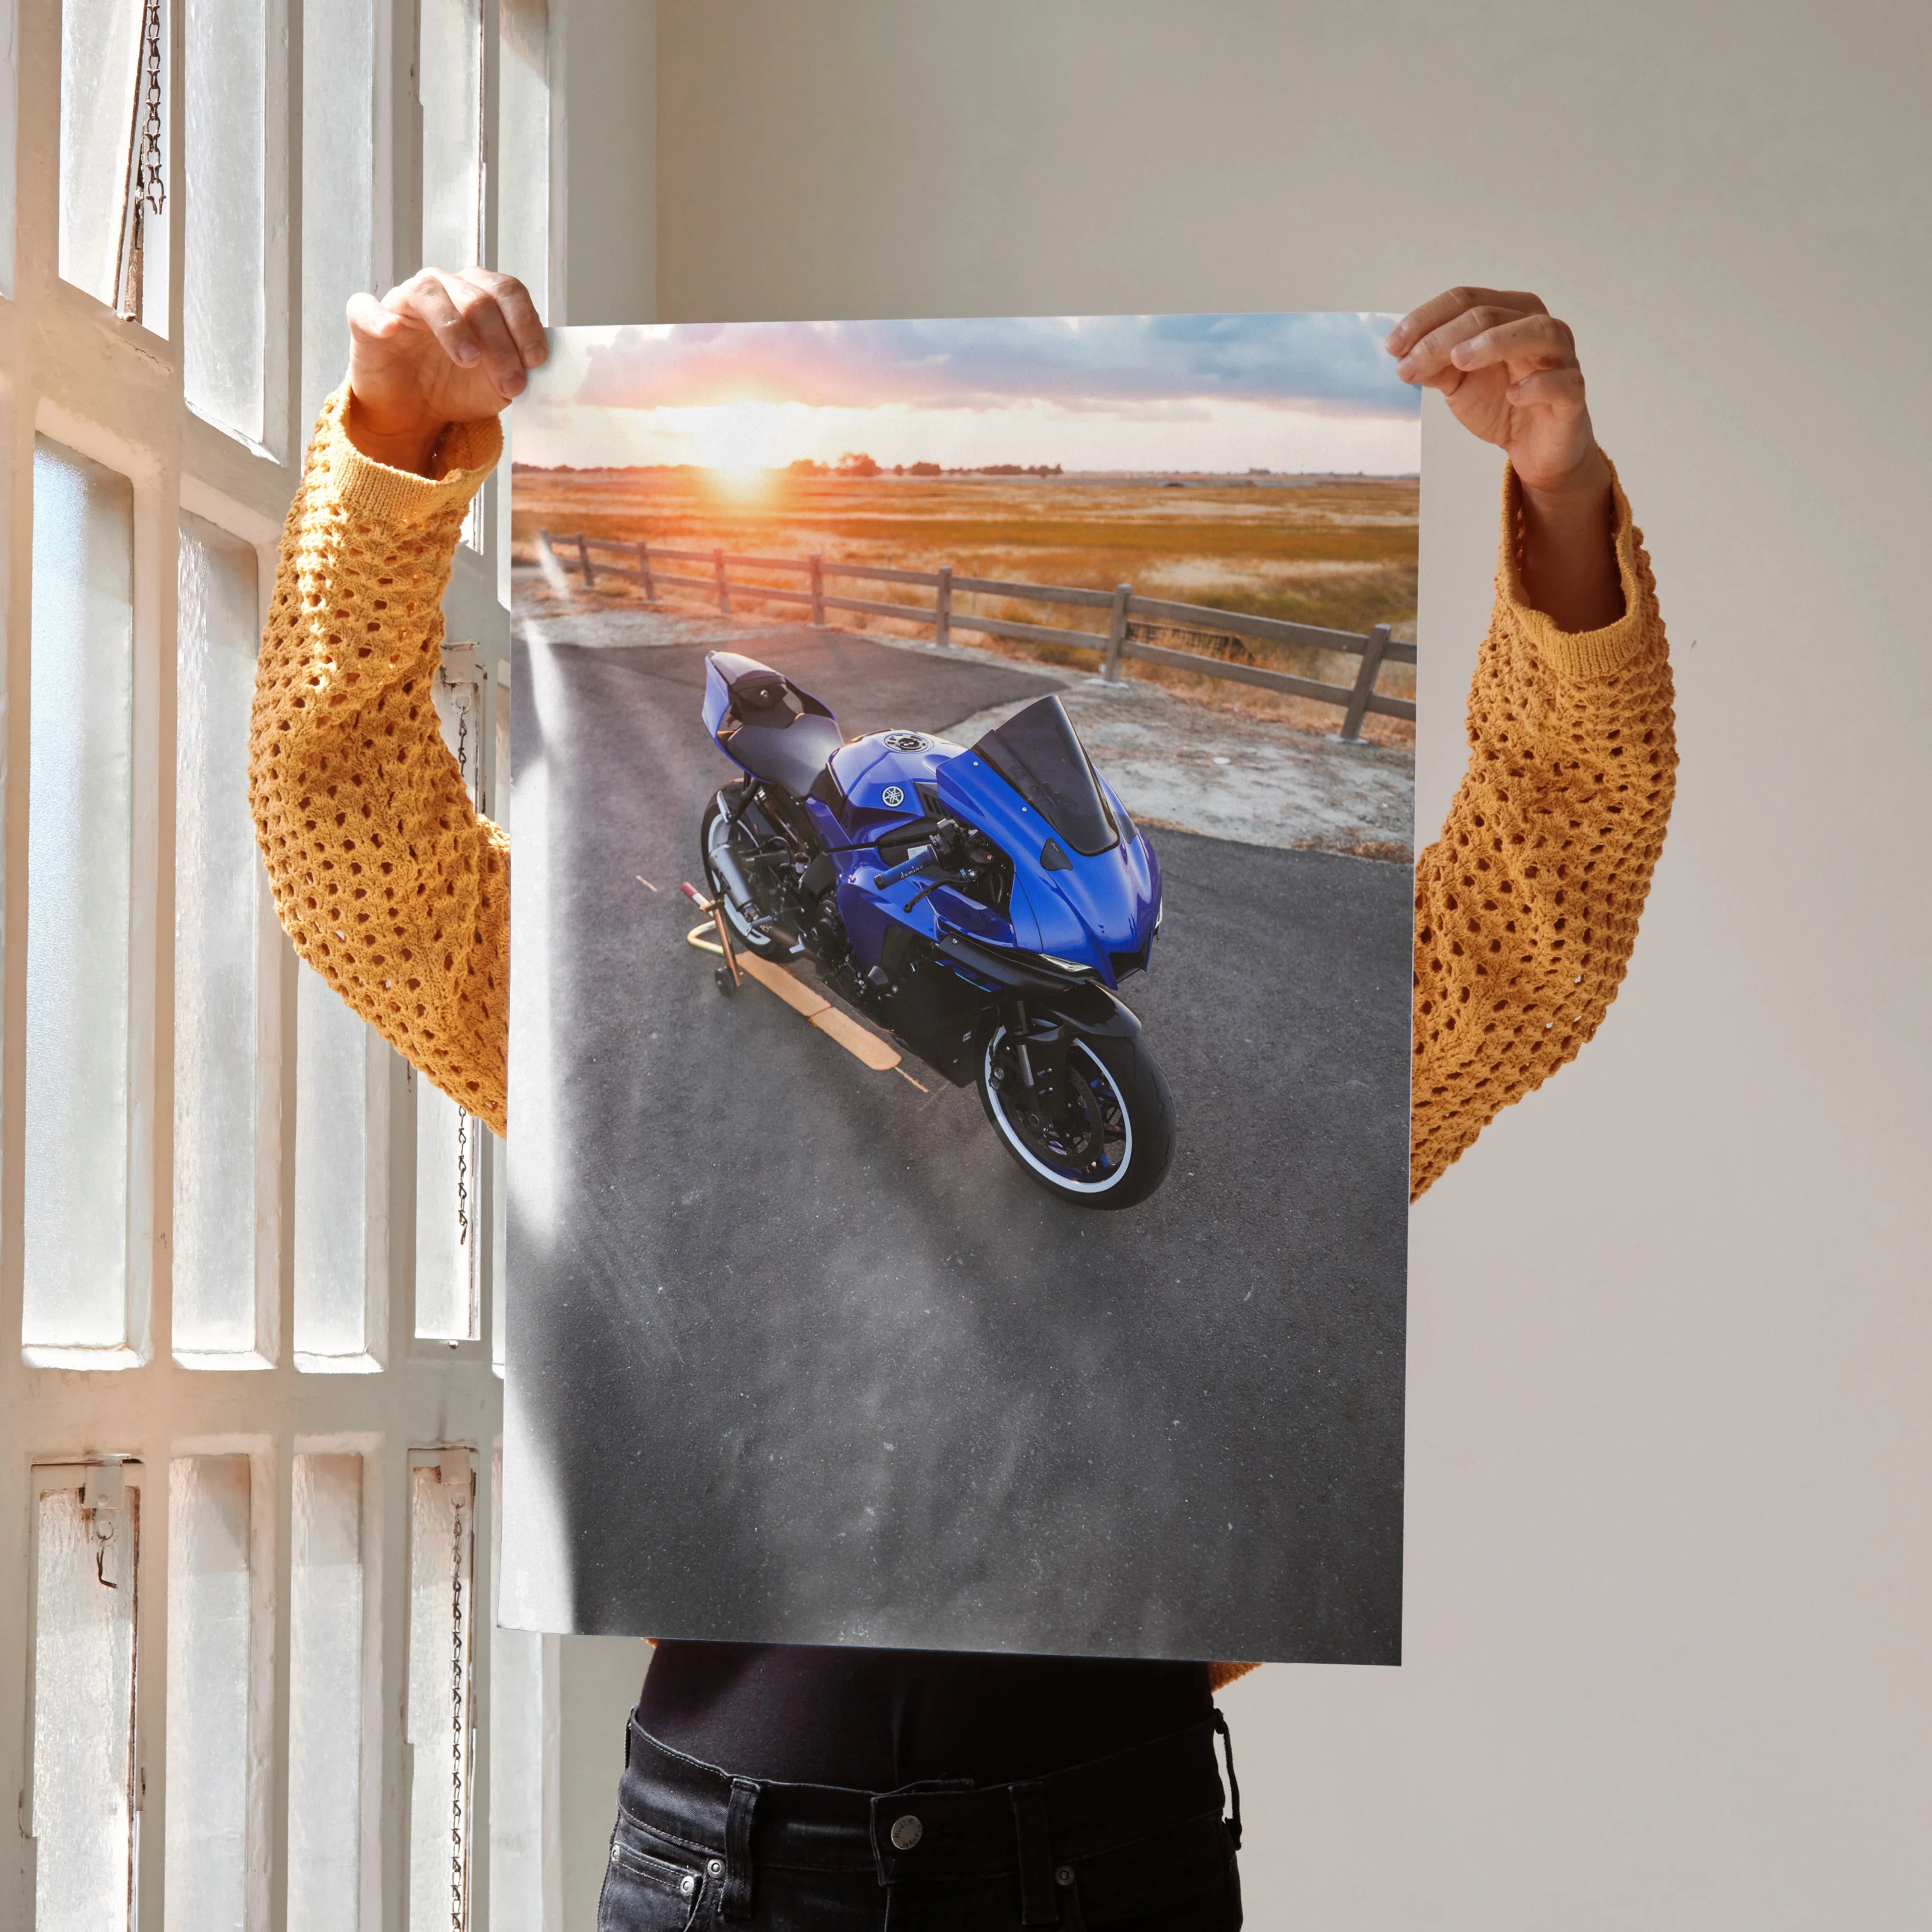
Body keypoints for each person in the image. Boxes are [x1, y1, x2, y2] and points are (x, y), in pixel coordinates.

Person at [250, 272, 1675, 1929]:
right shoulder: (592, 1035)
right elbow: (345, 842)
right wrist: (391, 449)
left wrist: (1560, 501)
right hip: (729, 1863)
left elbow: (1540, 922)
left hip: (1105, 1848)